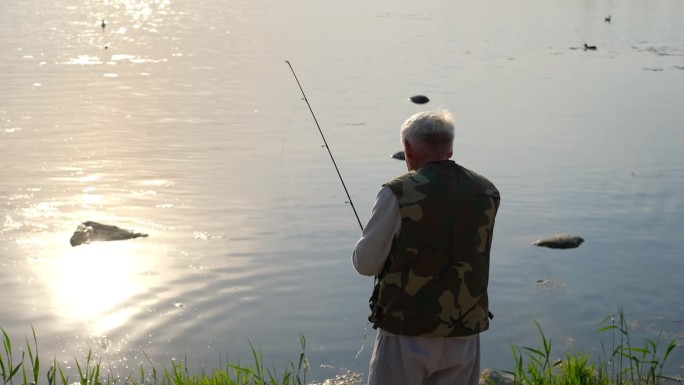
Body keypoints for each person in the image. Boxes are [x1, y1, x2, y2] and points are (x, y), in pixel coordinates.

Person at [352, 110, 501, 385]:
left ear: (407, 147)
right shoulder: (486, 190)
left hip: (406, 331)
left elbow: (366, 264)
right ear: (450, 147)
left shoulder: (397, 191)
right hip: (464, 332)